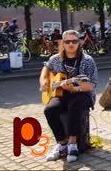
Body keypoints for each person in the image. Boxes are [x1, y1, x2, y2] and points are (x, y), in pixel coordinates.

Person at [39, 30, 98, 163]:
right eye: (67, 42)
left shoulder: (87, 60)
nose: (71, 44)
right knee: (50, 110)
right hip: (61, 94)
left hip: (83, 93)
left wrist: (76, 88)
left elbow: (92, 84)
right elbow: (46, 68)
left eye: (74, 41)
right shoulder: (56, 59)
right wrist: (44, 81)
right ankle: (62, 143)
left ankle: (73, 144)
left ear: (80, 43)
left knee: (74, 105)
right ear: (62, 43)